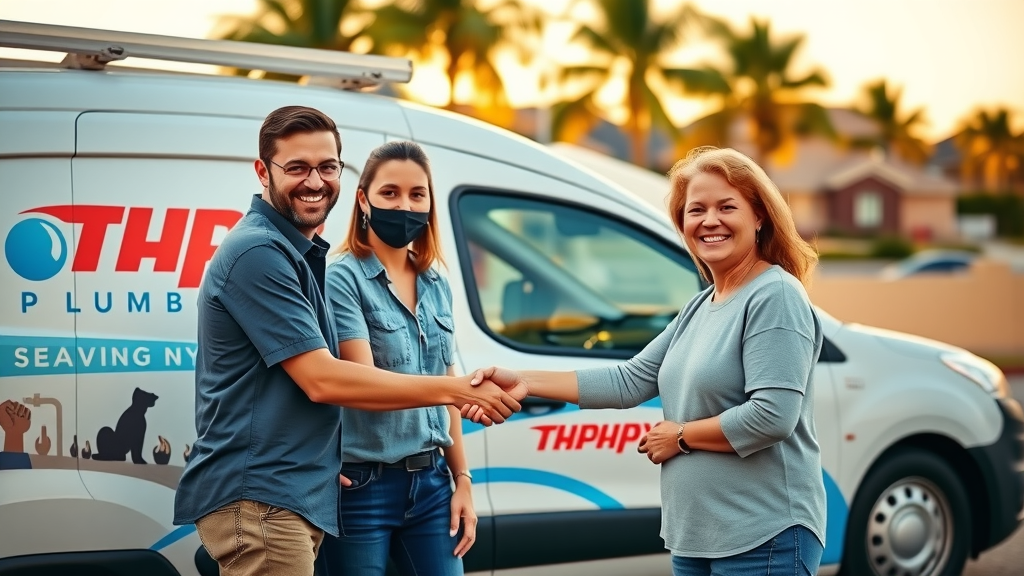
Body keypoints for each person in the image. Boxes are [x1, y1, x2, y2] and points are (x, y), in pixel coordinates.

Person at [172, 106, 524, 576]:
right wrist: (458, 392)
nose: (314, 181)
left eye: (327, 166)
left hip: (296, 490)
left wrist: (325, 459)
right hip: (262, 498)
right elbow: (324, 379)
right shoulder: (260, 252)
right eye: (296, 167)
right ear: (263, 171)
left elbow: (299, 385)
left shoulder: (298, 253)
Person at [466, 146, 827, 576]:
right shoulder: (701, 306)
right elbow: (630, 380)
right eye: (696, 210)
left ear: (759, 216)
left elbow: (773, 416)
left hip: (763, 535)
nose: (710, 220)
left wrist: (680, 437)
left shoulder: (775, 295)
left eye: (727, 207)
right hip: (696, 535)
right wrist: (522, 379)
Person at [315, 141, 472, 576]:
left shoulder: (436, 282)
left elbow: (448, 386)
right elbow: (365, 385)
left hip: (434, 484)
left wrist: (463, 481)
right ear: (363, 198)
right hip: (361, 488)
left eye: (416, 194)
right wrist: (453, 389)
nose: (404, 205)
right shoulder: (341, 278)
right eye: (390, 193)